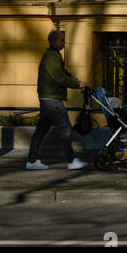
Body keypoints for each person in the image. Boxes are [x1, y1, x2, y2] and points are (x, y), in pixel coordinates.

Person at [25, 29, 89, 171]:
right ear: (54, 42)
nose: (64, 42)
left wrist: (76, 81)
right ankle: (71, 160)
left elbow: (64, 73)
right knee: (65, 128)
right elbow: (59, 76)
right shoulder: (51, 57)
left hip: (47, 97)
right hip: (51, 99)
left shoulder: (54, 55)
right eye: (62, 40)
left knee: (41, 129)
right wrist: (76, 84)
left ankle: (32, 160)